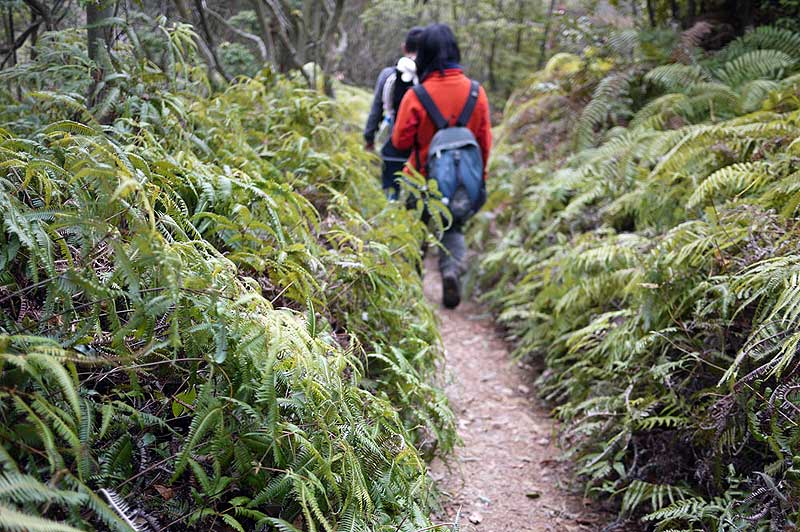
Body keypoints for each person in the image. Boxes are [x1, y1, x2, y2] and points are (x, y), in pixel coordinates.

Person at [391, 23, 492, 309]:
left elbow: (400, 141)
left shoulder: (417, 95)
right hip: (460, 180)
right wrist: (478, 180)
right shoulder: (476, 93)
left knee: (415, 228)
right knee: (454, 228)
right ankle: (450, 272)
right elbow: (484, 143)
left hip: (420, 177)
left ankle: (412, 288)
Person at [363, 27, 424, 196]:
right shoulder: (428, 78)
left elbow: (376, 109)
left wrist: (369, 138)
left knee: (392, 184)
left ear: (404, 47)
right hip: (421, 145)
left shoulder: (388, 75)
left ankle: (391, 206)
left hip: (394, 140)